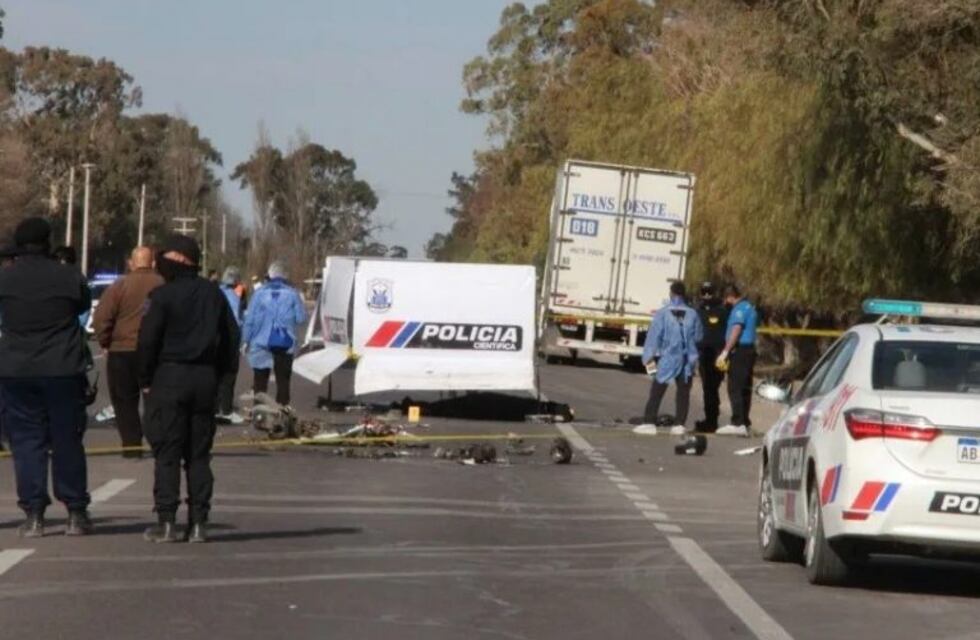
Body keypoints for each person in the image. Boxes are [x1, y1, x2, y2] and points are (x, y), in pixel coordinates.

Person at [137, 235, 239, 543]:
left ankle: (167, 521)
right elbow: (231, 341)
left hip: (169, 377)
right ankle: (198, 523)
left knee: (167, 453)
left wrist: (145, 380)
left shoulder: (161, 296)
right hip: (204, 379)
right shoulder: (214, 295)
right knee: (198, 455)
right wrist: (223, 383)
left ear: (180, 259)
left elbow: (147, 341)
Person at [0, 218, 93, 537]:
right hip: (62, 367)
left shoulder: (6, 278)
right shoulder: (69, 276)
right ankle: (75, 511)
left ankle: (34, 513)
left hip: (17, 369)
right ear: (47, 242)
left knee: (26, 442)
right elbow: (82, 306)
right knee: (67, 439)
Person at [93, 247, 164, 458]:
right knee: (156, 400)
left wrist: (105, 341)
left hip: (122, 351)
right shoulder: (163, 284)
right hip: (156, 351)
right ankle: (160, 443)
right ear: (153, 263)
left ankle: (132, 446)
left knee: (124, 401)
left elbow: (102, 318)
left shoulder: (119, 286)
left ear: (131, 264)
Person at [639, 281, 703, 435]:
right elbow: (699, 336)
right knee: (683, 393)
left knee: (657, 390)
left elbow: (653, 338)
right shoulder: (693, 314)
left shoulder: (663, 313)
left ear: (671, 293)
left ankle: (649, 422)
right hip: (687, 360)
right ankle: (679, 424)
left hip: (669, 357)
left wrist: (648, 360)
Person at [242, 261, 307, 409]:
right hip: (285, 343)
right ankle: (282, 411)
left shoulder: (258, 294)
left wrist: (246, 340)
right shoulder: (293, 294)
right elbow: (301, 318)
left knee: (260, 381)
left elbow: (250, 320)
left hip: (260, 342)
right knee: (283, 381)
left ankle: (259, 411)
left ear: (270, 275)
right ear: (285, 275)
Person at [716, 284, 759, 436]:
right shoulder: (750, 307)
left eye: (726, 299)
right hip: (749, 350)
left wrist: (725, 351)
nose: (725, 303)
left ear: (730, 297)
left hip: (740, 351)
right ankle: (745, 422)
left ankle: (737, 422)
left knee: (735, 387)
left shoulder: (739, 309)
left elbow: (736, 330)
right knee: (745, 387)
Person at [694, 282, 729, 433]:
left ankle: (712, 421)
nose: (707, 295)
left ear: (714, 293)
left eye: (709, 292)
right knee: (708, 388)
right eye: (704, 292)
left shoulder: (723, 311)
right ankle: (711, 419)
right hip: (704, 355)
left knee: (712, 387)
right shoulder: (698, 311)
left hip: (719, 355)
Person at [216, 266, 246, 425]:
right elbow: (239, 319)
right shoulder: (236, 296)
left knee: (216, 374)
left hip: (216, 339)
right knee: (229, 375)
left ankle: (215, 408)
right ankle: (226, 410)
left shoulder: (216, 292)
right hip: (231, 339)